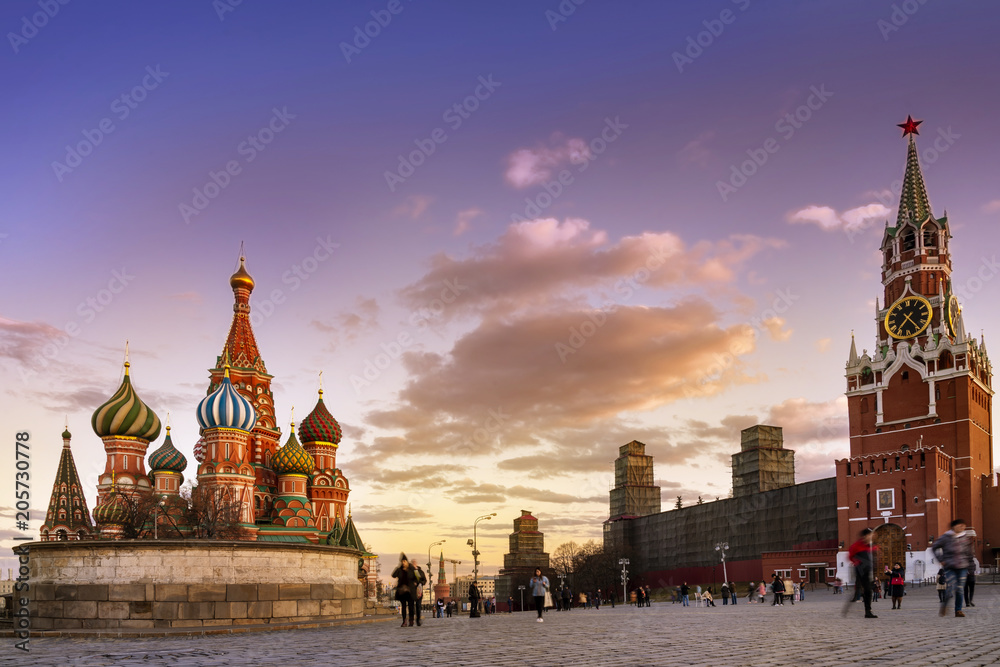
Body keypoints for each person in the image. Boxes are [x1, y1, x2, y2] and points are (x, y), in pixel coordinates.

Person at [932, 518, 975, 617]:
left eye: (963, 526)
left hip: (963, 567)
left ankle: (958, 610)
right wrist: (941, 559)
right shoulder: (945, 537)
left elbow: (969, 554)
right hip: (950, 566)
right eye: (960, 525)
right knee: (950, 587)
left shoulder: (965, 538)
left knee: (960, 589)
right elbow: (934, 547)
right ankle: (945, 605)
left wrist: (971, 568)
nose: (962, 527)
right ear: (954, 526)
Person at [844, 528, 877, 619]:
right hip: (860, 569)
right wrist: (857, 563)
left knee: (867, 590)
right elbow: (850, 556)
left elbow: (873, 556)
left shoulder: (871, 546)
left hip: (868, 570)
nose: (871, 537)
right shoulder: (856, 546)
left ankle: (867, 610)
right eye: (870, 535)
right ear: (865, 536)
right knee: (865, 588)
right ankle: (867, 611)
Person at [391, 553, 418, 627]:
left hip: (410, 591)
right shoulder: (400, 569)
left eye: (404, 561)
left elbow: (417, 577)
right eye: (402, 562)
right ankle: (404, 621)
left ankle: (411, 620)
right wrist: (399, 567)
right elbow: (393, 575)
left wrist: (415, 582)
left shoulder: (412, 569)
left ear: (407, 561)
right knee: (403, 606)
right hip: (402, 591)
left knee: (411, 606)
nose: (403, 563)